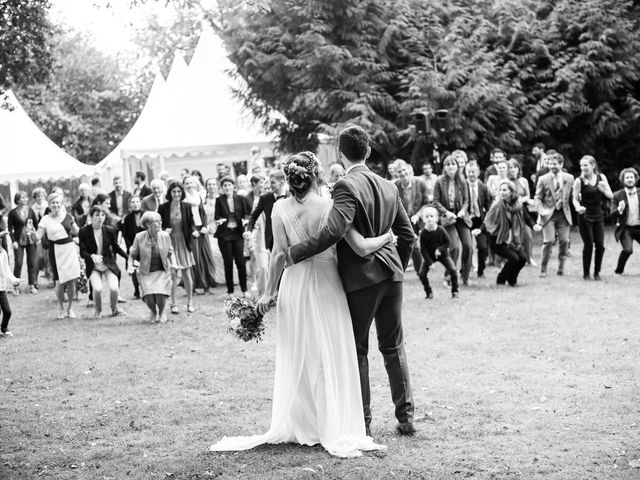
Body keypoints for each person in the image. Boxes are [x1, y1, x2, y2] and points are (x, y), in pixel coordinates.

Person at [211, 151, 391, 457]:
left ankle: (305, 423)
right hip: (329, 286)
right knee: (330, 351)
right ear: (316, 175)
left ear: (291, 178)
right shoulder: (331, 205)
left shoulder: (279, 208)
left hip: (294, 286)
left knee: (301, 353)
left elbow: (279, 254)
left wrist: (268, 292)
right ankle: (332, 422)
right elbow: (359, 247)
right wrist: (387, 237)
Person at [286, 126, 416, 436]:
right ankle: (406, 417)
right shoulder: (389, 185)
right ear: (368, 152)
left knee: (357, 350)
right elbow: (409, 235)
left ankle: (364, 423)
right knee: (393, 346)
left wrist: (294, 253)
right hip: (392, 277)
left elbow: (333, 230)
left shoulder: (345, 186)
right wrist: (397, 267)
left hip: (361, 280)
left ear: (341, 155)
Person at [474, 180, 540, 286]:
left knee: (522, 259)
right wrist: (480, 230)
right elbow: (488, 221)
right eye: (500, 190)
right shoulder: (497, 205)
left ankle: (512, 280)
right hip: (497, 240)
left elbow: (527, 218)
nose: (501, 192)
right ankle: (501, 279)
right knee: (514, 258)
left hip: (513, 239)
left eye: (504, 190)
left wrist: (534, 225)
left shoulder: (518, 204)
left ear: (511, 191)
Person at [36, 193, 81, 319]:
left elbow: (77, 231)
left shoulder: (68, 216)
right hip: (55, 250)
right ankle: (61, 307)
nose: (55, 205)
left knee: (72, 280)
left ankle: (70, 308)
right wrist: (32, 234)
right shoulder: (45, 219)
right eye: (53, 203)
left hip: (69, 249)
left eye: (58, 203)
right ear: (49, 205)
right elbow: (38, 236)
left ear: (61, 204)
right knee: (59, 281)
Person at [128, 211, 177, 323]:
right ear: (148, 224)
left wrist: (174, 264)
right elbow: (132, 254)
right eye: (157, 222)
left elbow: (171, 252)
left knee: (160, 294)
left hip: (161, 270)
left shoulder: (165, 235)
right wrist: (130, 265)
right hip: (146, 271)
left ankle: (162, 312)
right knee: (149, 297)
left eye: (160, 221)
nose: (160, 223)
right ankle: (153, 312)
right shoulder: (139, 237)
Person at [79, 207, 127, 317]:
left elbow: (116, 247)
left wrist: (128, 258)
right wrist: (91, 256)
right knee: (97, 289)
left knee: (114, 288)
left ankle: (115, 309)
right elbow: (82, 252)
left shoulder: (110, 230)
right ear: (91, 217)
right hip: (94, 266)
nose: (100, 217)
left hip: (108, 264)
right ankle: (98, 311)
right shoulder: (84, 231)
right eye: (97, 215)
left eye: (102, 215)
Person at [433, 156, 473, 285]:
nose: (451, 167)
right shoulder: (439, 181)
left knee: (468, 246)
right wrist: (446, 212)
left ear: (457, 167)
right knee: (454, 247)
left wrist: (462, 210)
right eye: (448, 164)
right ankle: (449, 276)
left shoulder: (462, 181)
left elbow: (467, 200)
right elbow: (435, 201)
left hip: (461, 217)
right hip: (447, 217)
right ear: (445, 167)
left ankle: (465, 276)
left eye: (453, 164)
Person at [158, 182, 197, 313]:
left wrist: (194, 231)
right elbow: (158, 225)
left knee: (186, 273)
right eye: (174, 192)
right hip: (170, 243)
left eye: (179, 192)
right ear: (170, 193)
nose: (176, 194)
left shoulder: (186, 206)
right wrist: (164, 230)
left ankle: (190, 302)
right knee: (173, 274)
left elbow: (191, 223)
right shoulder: (163, 207)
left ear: (182, 193)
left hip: (184, 242)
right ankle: (173, 303)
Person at [534, 150, 574, 276]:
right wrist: (541, 210)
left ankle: (561, 268)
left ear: (561, 164)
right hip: (548, 214)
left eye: (555, 164)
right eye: (550, 164)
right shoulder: (543, 179)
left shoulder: (569, 178)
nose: (552, 166)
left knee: (564, 241)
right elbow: (538, 197)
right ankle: (543, 269)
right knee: (549, 241)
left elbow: (573, 195)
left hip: (563, 214)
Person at [572, 155, 613, 280]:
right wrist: (578, 207)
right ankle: (586, 274)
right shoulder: (579, 181)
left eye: (586, 165)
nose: (583, 168)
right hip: (585, 216)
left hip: (598, 216)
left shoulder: (602, 177)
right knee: (589, 244)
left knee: (600, 245)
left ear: (593, 165)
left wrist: (603, 190)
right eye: (582, 165)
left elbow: (611, 195)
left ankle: (597, 273)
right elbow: (574, 199)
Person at [214, 177, 252, 296]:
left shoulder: (240, 198)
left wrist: (246, 220)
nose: (227, 187)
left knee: (241, 262)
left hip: (237, 233)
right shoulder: (219, 200)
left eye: (229, 185)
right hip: (225, 234)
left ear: (233, 186)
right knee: (228, 263)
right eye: (225, 185)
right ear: (222, 188)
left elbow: (247, 213)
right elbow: (217, 216)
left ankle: (244, 289)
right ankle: (230, 291)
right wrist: (220, 220)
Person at [394, 160, 430, 278]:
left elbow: (426, 203)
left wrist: (418, 215)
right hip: (402, 221)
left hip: (416, 219)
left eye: (404, 170)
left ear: (409, 170)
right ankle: (415, 271)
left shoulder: (420, 183)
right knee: (410, 246)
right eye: (400, 171)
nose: (403, 173)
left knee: (416, 246)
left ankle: (420, 271)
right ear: (396, 174)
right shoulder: (395, 186)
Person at [183, 176, 217, 293]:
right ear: (184, 185)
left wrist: (204, 226)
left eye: (191, 183)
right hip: (192, 231)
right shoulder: (184, 199)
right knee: (196, 258)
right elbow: (186, 217)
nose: (189, 185)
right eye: (187, 183)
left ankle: (207, 284)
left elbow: (203, 212)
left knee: (206, 256)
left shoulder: (198, 196)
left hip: (202, 229)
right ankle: (195, 285)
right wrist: (193, 229)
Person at [418, 206, 458, 299]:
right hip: (430, 256)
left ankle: (455, 291)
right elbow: (423, 250)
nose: (429, 219)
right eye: (427, 217)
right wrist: (430, 262)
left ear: (436, 218)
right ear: (424, 219)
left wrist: (439, 249)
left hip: (443, 255)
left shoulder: (441, 230)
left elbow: (448, 243)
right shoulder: (423, 233)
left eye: (431, 216)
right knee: (422, 273)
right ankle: (429, 292)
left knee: (453, 271)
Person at [244, 170, 287, 252]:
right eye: (270, 183)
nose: (270, 186)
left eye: (273, 183)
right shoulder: (265, 198)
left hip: (290, 237)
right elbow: (253, 216)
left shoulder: (292, 195)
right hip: (273, 239)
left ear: (282, 182)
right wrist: (249, 231)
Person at [7, 191, 39, 294]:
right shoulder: (12, 213)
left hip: (31, 240)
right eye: (22, 197)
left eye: (26, 197)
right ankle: (16, 286)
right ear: (17, 200)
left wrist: (36, 236)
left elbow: (36, 224)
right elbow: (10, 228)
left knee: (31, 263)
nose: (25, 199)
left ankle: (32, 285)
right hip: (18, 241)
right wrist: (13, 241)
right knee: (18, 263)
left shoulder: (30, 210)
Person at [464, 161, 492, 278]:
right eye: (469, 172)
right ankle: (464, 270)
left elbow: (488, 205)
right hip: (465, 220)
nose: (471, 174)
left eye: (473, 172)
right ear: (466, 173)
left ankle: (481, 271)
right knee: (467, 246)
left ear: (478, 172)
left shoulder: (483, 187)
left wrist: (487, 219)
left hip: (479, 220)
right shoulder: (462, 186)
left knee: (482, 247)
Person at [611, 167, 640, 275]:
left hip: (639, 226)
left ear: (635, 179)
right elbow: (612, 215)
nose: (629, 179)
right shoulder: (617, 195)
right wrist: (619, 209)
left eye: (631, 177)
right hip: (626, 228)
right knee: (628, 250)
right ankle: (618, 271)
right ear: (623, 180)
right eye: (627, 177)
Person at [508, 158, 536, 266]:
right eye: (510, 168)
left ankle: (529, 258)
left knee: (528, 235)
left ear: (518, 169)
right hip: (510, 211)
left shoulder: (523, 181)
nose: (513, 170)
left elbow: (528, 195)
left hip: (522, 210)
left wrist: (521, 200)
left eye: (515, 167)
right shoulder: (506, 182)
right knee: (511, 236)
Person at [203, 178, 226, 285]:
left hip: (221, 229)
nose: (211, 186)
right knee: (212, 252)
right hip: (209, 230)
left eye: (213, 184)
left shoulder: (222, 200)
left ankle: (225, 277)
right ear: (206, 186)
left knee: (223, 253)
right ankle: (214, 277)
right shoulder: (203, 201)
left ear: (217, 186)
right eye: (209, 184)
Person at [122, 195, 144, 298]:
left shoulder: (146, 215)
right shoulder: (127, 218)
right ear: (130, 205)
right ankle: (136, 290)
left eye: (137, 202)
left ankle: (146, 288)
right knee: (134, 269)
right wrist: (130, 247)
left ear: (140, 203)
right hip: (133, 246)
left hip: (145, 246)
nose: (135, 204)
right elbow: (125, 235)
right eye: (133, 202)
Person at [0, 239, 20, 337]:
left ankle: (4, 328)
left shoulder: (3, 253)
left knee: (7, 311)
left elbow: (7, 270)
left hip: (1, 288)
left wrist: (14, 280)